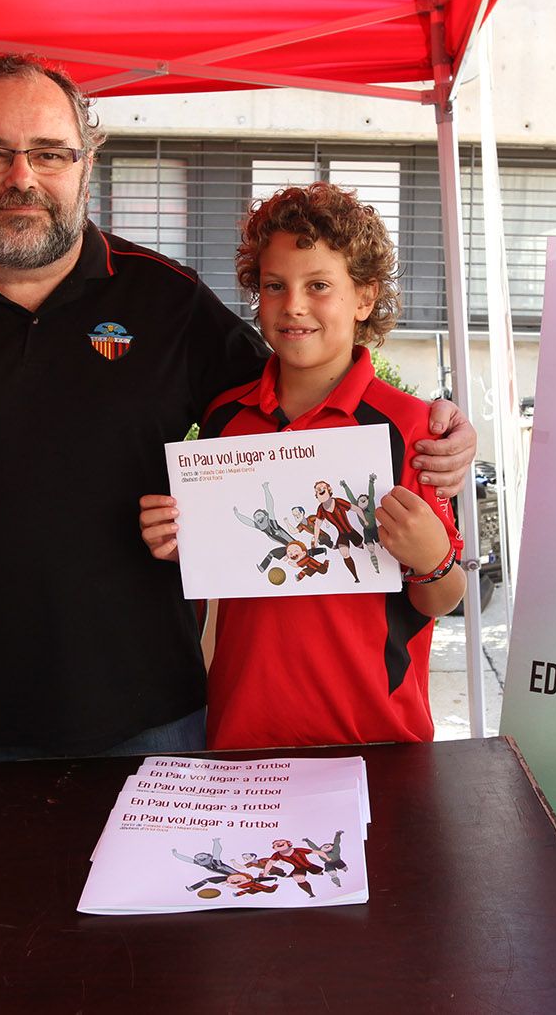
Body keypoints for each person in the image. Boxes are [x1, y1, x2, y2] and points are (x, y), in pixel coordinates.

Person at [0, 55, 476, 802]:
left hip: (156, 721)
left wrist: (435, 433)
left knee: (155, 924)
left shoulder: (166, 300)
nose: (24, 175)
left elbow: (299, 401)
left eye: (50, 152)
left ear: (87, 165)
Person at [139, 182, 466, 750]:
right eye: (274, 286)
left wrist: (433, 559)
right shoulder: (224, 419)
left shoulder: (410, 429)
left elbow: (442, 596)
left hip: (376, 733)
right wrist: (174, 539)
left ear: (364, 298)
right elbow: (211, 568)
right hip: (243, 730)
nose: (293, 305)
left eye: (319, 286)